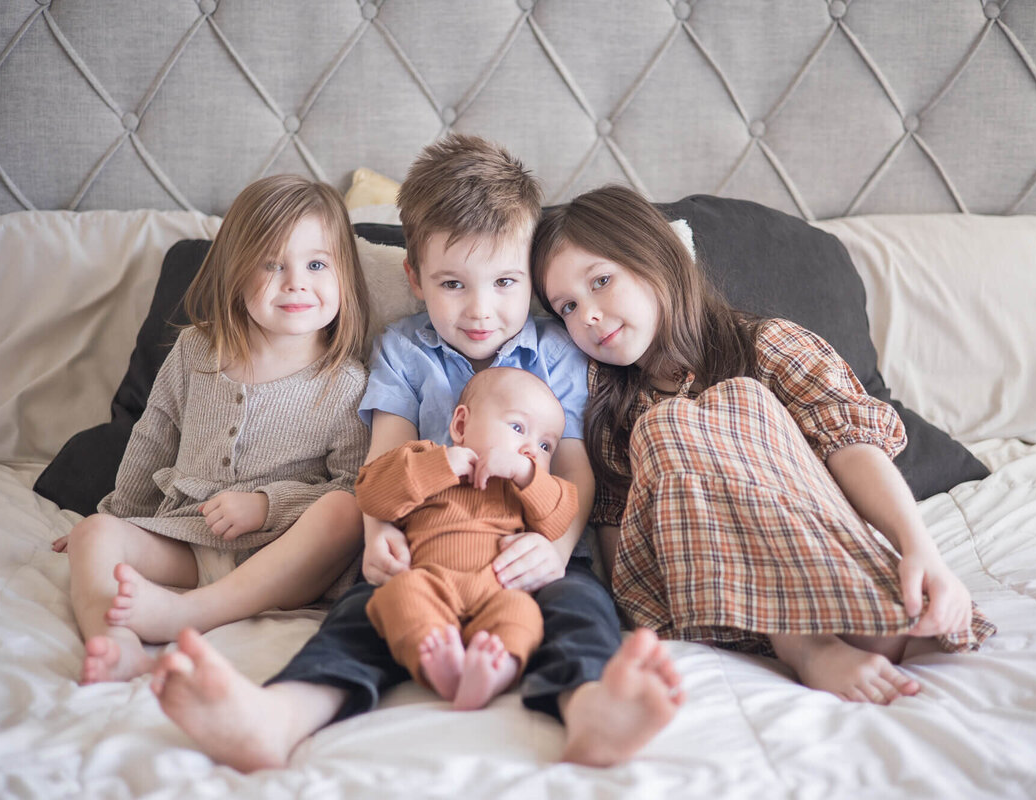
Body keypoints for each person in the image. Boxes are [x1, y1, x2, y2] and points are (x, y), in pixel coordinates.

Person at [150, 135, 684, 771]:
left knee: (580, 609)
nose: (481, 310)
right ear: (414, 277)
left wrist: (557, 549)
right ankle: (281, 713)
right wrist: (377, 536)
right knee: (360, 616)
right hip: (425, 555)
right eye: (453, 283)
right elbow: (380, 469)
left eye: (505, 282)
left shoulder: (557, 351)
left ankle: (590, 709)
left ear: (532, 284)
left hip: (528, 553)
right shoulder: (404, 352)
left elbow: (573, 468)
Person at [532, 184, 997, 705]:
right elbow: (624, 543)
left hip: (814, 550)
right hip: (704, 590)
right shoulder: (613, 411)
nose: (587, 315)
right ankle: (802, 642)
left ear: (658, 260)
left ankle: (862, 607)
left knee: (738, 399)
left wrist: (921, 552)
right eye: (567, 306)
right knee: (668, 425)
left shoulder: (766, 343)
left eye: (601, 281)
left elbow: (853, 446)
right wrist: (638, 616)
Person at [52, 174, 372, 684]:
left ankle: (194, 613)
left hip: (284, 555)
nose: (295, 282)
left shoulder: (346, 382)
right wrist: (119, 524)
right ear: (236, 272)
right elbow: (152, 438)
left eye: (316, 264)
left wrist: (268, 506)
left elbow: (352, 484)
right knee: (93, 534)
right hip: (190, 536)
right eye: (272, 264)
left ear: (344, 278)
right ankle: (114, 643)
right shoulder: (196, 352)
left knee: (346, 510)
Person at [360, 367, 578, 710]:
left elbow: (561, 517)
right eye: (518, 428)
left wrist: (525, 474)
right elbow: (372, 493)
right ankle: (435, 660)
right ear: (461, 425)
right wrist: (439, 465)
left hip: (499, 590)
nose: (531, 450)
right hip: (429, 582)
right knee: (399, 597)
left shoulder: (524, 488)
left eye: (546, 445)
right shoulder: (425, 460)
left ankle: (495, 669)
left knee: (524, 614)